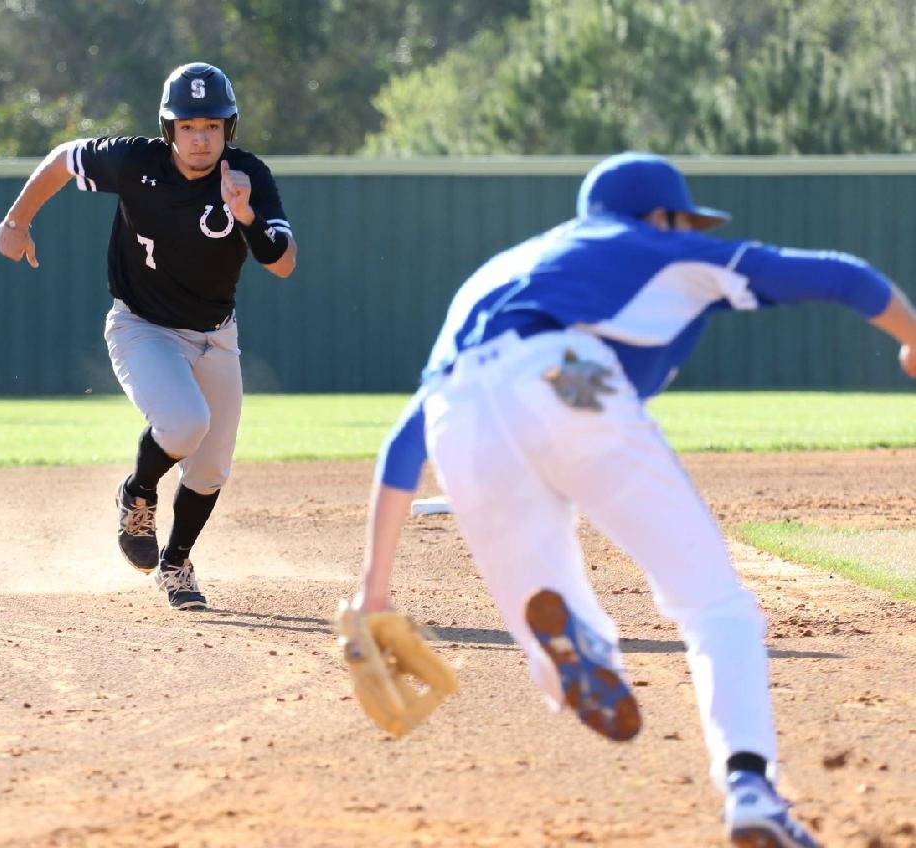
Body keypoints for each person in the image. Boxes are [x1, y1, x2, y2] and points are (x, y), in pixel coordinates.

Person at [351, 152, 916, 847]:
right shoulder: (660, 246)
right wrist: (913, 338)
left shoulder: (500, 271)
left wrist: (373, 592)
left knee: (555, 653)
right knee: (713, 605)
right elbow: (843, 277)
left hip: (457, 418)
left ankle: (578, 650)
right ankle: (749, 788)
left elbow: (405, 444)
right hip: (565, 375)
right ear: (662, 214)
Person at [0, 62, 296, 610]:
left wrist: (247, 214)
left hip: (215, 335)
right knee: (184, 422)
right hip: (142, 326)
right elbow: (64, 159)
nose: (199, 137)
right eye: (186, 125)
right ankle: (138, 493)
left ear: (229, 128)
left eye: (211, 125)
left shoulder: (246, 175)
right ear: (168, 129)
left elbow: (282, 263)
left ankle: (176, 566)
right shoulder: (136, 161)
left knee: (209, 469)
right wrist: (17, 221)